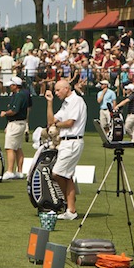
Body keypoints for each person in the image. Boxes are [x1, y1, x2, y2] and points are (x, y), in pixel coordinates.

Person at [46, 78, 87, 220]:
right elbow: (51, 121)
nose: (56, 93)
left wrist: (56, 126)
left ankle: (69, 204)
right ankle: (70, 209)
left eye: (58, 90)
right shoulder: (65, 104)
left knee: (57, 173)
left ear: (66, 89)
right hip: (65, 142)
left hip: (73, 142)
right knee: (66, 175)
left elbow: (70, 123)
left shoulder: (76, 101)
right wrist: (50, 102)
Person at [0, 75, 30, 180]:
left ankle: (10, 171)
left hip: (16, 123)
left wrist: (5, 113)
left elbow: (14, 111)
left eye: (11, 85)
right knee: (18, 148)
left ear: (16, 86)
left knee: (10, 148)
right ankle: (19, 172)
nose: (10, 87)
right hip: (20, 123)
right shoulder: (21, 95)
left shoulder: (18, 95)